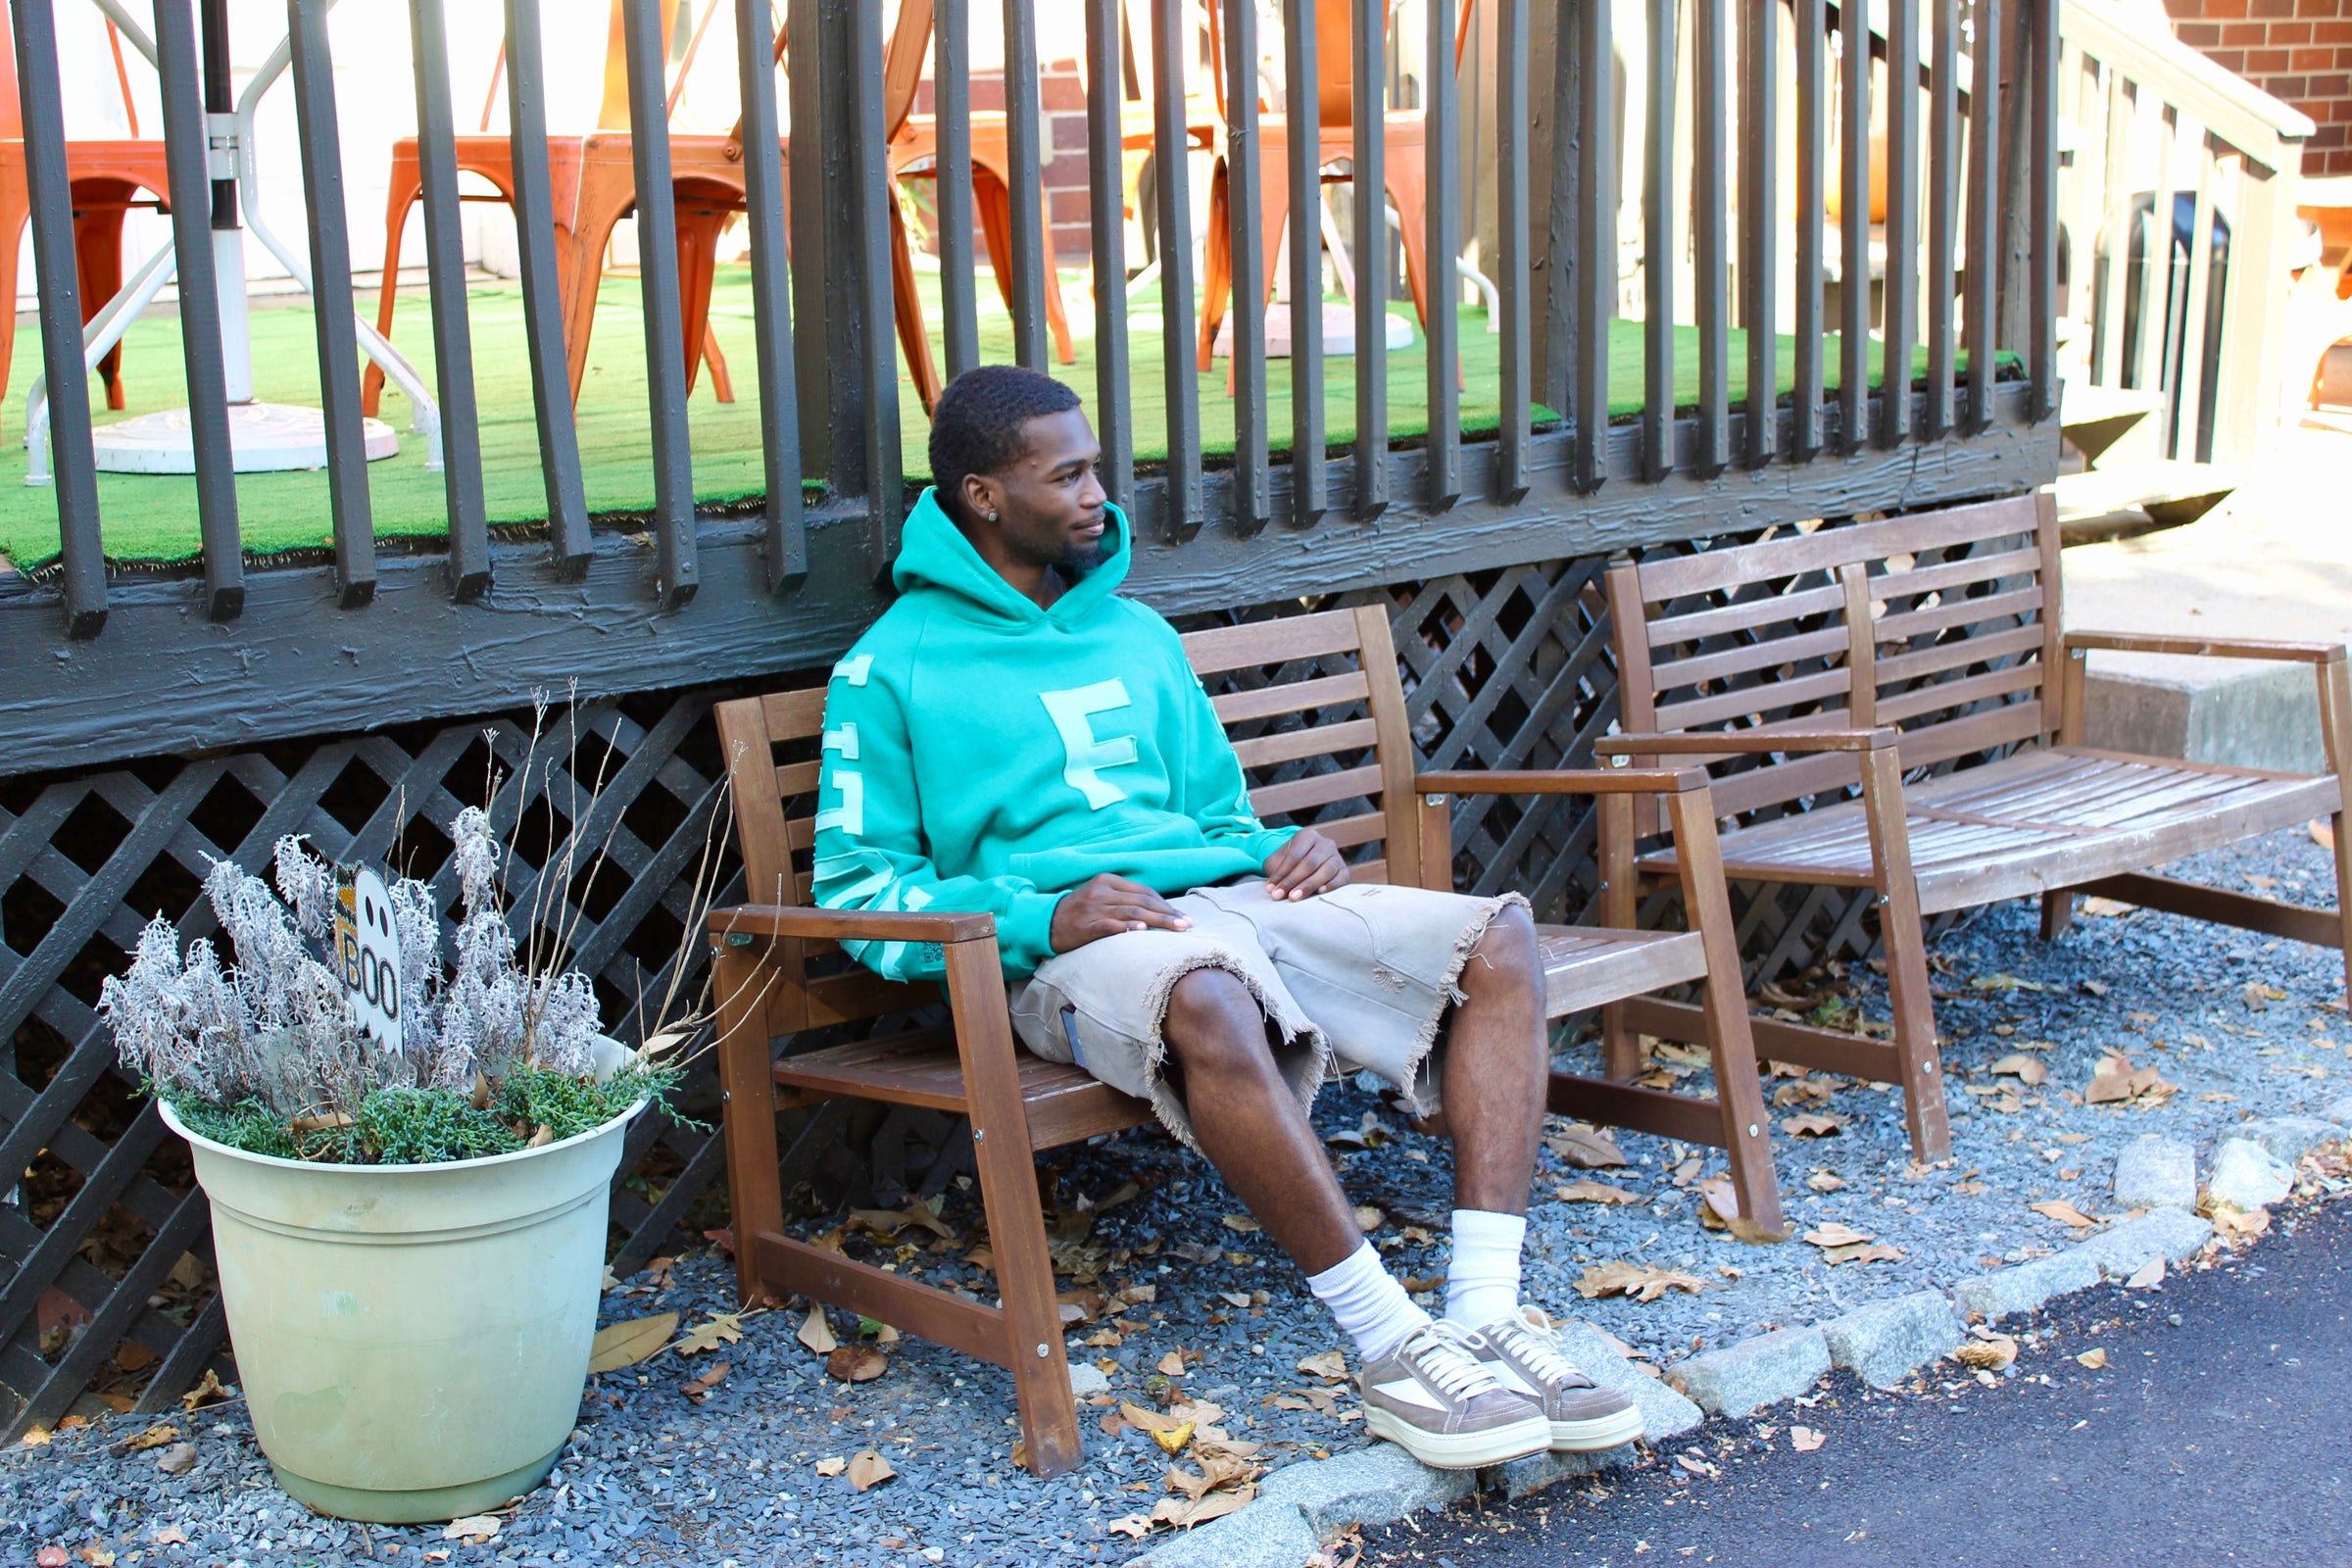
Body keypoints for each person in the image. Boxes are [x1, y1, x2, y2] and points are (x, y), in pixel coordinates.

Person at [812, 365, 1639, 1470]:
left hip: (1224, 895)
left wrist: (1277, 845)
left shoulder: (1139, 634)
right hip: (1074, 949)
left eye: (1095, 465)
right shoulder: (890, 666)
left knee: (1498, 934)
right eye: (1066, 476)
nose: (1099, 494)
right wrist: (1039, 915)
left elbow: (1212, 811)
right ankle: (1391, 1344)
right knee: (1204, 992)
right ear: (983, 496)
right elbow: (860, 890)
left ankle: (1486, 1312)